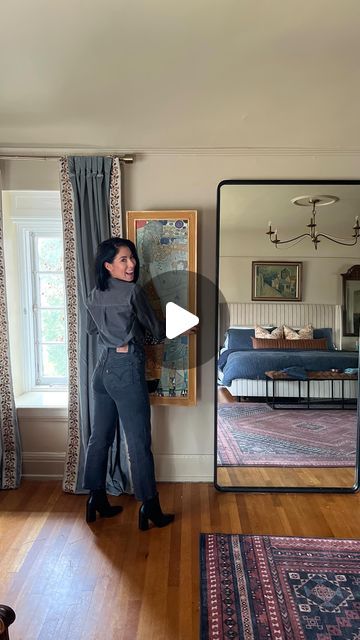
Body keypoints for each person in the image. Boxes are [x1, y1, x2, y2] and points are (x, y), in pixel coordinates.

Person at [83, 237, 174, 530]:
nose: (131, 264)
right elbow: (157, 330)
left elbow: (91, 330)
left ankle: (95, 497)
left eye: (132, 258)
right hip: (126, 369)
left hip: (103, 369)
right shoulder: (133, 292)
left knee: (101, 437)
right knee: (138, 442)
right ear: (108, 265)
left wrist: (119, 333)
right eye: (123, 259)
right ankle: (150, 505)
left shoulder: (95, 293)